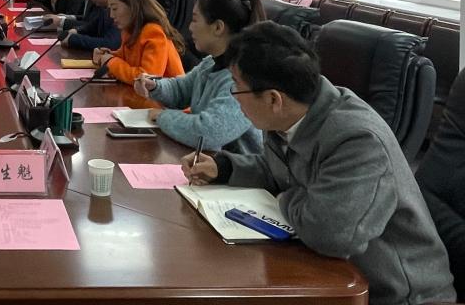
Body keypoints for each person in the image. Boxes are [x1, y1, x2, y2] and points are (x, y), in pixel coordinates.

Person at [182, 22, 455, 305]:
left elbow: (332, 234)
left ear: (274, 99)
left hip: (396, 295)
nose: (234, 97)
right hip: (326, 271)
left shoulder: (357, 139)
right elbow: (280, 170)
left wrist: (284, 197)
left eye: (237, 88)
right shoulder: (287, 115)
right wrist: (224, 167)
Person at [134, 0, 262, 153]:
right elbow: (181, 90)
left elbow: (209, 132)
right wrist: (155, 86)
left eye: (195, 20)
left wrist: (162, 117)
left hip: (233, 167)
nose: (190, 27)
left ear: (218, 27)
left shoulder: (242, 79)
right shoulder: (210, 63)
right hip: (206, 160)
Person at [94, 0, 185, 108]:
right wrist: (108, 55)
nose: (111, 15)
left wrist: (111, 62)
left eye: (114, 9)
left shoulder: (153, 31)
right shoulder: (130, 30)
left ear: (133, 6)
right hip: (144, 101)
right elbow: (128, 58)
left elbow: (146, 79)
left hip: (168, 106)